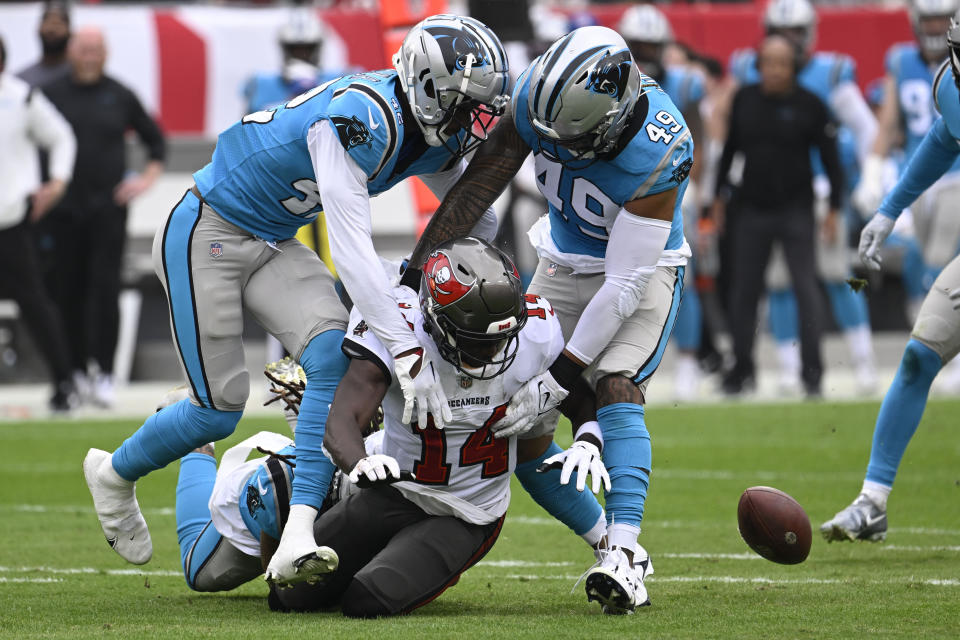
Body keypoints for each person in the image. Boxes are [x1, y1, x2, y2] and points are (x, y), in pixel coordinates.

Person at [81, 15, 510, 590]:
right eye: (466, 106)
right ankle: (113, 473)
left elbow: (475, 216)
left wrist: (461, 280)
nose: (475, 122)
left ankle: (299, 532)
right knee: (220, 408)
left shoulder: (436, 131)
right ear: (428, 89)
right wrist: (407, 350)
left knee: (332, 355)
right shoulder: (365, 119)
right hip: (209, 227)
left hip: (273, 240)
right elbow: (353, 254)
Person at [399, 26, 691, 614]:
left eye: (574, 139)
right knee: (522, 433)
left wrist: (561, 374)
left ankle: (625, 553)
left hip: (641, 268)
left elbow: (625, 284)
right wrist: (410, 283)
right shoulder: (539, 94)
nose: (555, 150)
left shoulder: (663, 147)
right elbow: (480, 187)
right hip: (560, 261)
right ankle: (604, 540)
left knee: (613, 385)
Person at [274, 237, 618, 617]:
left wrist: (587, 440)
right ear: (435, 321)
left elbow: (581, 400)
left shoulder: (536, 331)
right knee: (286, 594)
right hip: (397, 492)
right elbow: (340, 421)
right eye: (476, 341)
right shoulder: (397, 327)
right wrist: (359, 462)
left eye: (502, 339)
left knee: (367, 599)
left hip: (468, 513)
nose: (493, 354)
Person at [821, 19, 960, 543]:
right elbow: (945, 137)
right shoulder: (949, 84)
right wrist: (888, 210)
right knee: (920, 356)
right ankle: (873, 501)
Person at [725, 0, 878, 394]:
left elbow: (866, 129)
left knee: (834, 277)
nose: (789, 42)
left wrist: (867, 177)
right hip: (765, 197)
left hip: (817, 195)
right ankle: (790, 370)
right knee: (777, 285)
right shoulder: (749, 77)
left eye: (795, 34)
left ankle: (862, 362)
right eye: (781, 33)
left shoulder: (829, 75)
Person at [39, 27, 166, 408]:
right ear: (72, 51)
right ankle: (74, 371)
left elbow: (155, 143)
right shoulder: (50, 94)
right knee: (66, 291)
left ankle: (106, 373)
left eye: (97, 49)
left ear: (105, 53)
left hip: (108, 211)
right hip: (62, 212)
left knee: (105, 290)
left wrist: (143, 181)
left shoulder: (120, 94)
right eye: (84, 49)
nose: (90, 56)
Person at [715, 34, 844, 397]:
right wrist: (718, 199)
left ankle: (812, 373)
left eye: (782, 63)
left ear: (794, 67)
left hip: (796, 210)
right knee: (744, 292)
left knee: (806, 289)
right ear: (759, 64)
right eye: (768, 62)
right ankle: (741, 371)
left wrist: (833, 208)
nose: (774, 70)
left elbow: (832, 162)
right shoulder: (745, 99)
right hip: (751, 208)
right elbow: (729, 152)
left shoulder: (811, 105)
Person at [618, 4, 707, 401]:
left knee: (679, 278)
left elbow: (699, 138)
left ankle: (687, 363)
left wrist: (696, 187)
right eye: (638, 45)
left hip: (672, 189)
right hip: (623, 192)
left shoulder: (685, 83)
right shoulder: (611, 80)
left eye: (651, 45)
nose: (646, 52)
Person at [0, 35, 77, 412]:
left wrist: (57, 183)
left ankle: (65, 382)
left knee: (34, 303)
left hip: (13, 218)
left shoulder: (21, 96)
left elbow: (61, 136)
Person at [17, 1, 71, 89]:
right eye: (48, 22)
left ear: (70, 32)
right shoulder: (22, 81)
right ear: (38, 29)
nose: (52, 29)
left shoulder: (79, 78)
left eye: (58, 24)